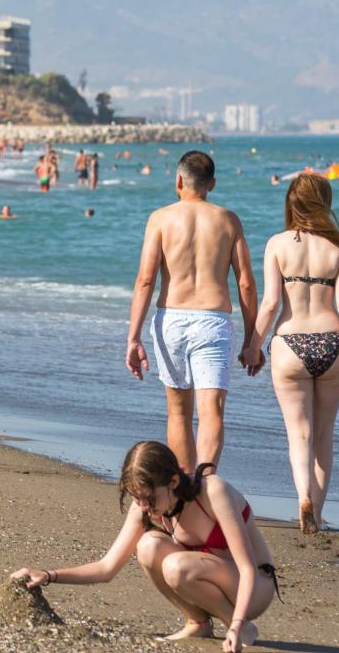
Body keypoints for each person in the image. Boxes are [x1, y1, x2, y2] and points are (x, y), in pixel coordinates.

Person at [10, 441, 278, 651]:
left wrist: (238, 625)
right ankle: (198, 622)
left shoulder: (213, 492)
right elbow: (106, 568)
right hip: (208, 580)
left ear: (173, 482)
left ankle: (240, 627)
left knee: (176, 565)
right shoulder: (145, 508)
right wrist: (48, 575)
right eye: (137, 498)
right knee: (148, 544)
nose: (144, 507)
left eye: (149, 498)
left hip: (254, 588)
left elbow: (247, 569)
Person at [241, 174, 339, 533]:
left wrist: (253, 346)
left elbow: (269, 303)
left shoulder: (278, 244)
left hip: (290, 344)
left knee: (298, 433)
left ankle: (302, 497)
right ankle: (318, 507)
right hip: (334, 344)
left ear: (291, 202)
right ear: (324, 202)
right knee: (324, 434)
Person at [126, 151, 259, 471]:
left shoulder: (160, 218)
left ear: (178, 180)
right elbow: (245, 284)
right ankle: (207, 482)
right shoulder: (228, 220)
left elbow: (145, 280)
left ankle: (185, 485)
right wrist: (251, 339)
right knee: (212, 411)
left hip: (171, 319)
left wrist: (133, 338)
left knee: (178, 412)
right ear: (212, 184)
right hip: (213, 322)